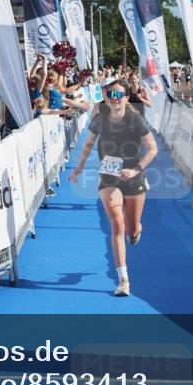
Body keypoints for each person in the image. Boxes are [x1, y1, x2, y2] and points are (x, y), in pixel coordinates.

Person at [69, 79, 158, 297]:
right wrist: (79, 167)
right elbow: (89, 143)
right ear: (107, 98)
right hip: (108, 176)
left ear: (127, 98)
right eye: (111, 95)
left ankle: (136, 230)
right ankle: (123, 281)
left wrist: (136, 169)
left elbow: (153, 149)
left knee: (131, 229)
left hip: (133, 176)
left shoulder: (136, 120)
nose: (114, 99)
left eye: (119, 95)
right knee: (117, 224)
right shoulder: (101, 119)